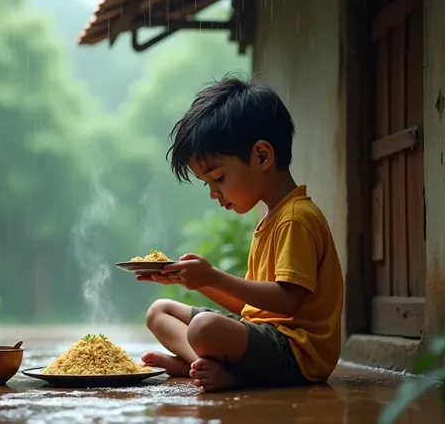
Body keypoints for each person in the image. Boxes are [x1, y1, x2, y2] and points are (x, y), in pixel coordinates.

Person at [138, 74, 344, 392]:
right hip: (262, 338)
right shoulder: (271, 219)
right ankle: (200, 364)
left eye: (218, 178)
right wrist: (193, 279)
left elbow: (287, 303)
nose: (214, 194)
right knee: (160, 311)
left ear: (261, 156)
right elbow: (251, 308)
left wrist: (213, 276)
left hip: (297, 355)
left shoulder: (296, 219)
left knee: (205, 327)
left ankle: (229, 374)